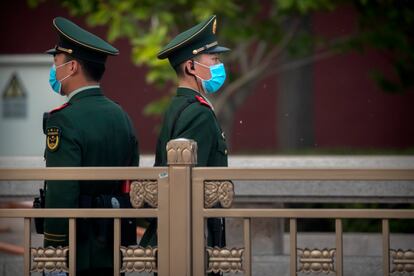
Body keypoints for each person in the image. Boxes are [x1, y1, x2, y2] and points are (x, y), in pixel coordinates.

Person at [43, 17, 139, 275]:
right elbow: (131, 180)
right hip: (114, 245)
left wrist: (53, 249)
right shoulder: (121, 115)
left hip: (78, 250)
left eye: (56, 64)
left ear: (72, 66)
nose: (54, 71)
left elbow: (62, 189)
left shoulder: (64, 119)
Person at [140, 15, 230, 274]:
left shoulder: (180, 105)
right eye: (213, 59)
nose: (219, 65)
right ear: (191, 67)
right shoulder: (197, 112)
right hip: (188, 236)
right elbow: (188, 185)